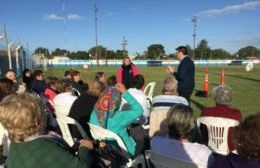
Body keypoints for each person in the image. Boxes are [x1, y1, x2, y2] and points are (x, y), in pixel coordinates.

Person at [0, 93, 93, 168]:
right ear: (38, 122)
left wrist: (71, 149)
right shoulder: (44, 146)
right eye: (44, 112)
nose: (47, 114)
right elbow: (80, 166)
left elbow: (52, 158)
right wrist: (85, 148)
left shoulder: (16, 143)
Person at [90, 83, 143, 157]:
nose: (121, 100)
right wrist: (125, 92)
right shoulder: (118, 117)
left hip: (105, 153)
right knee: (139, 131)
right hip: (125, 153)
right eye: (120, 98)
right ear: (116, 101)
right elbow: (139, 110)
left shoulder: (94, 114)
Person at [200, 85, 242, 152]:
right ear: (230, 98)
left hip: (208, 149)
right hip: (230, 150)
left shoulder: (206, 111)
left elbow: (202, 130)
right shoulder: (236, 114)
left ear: (215, 98)